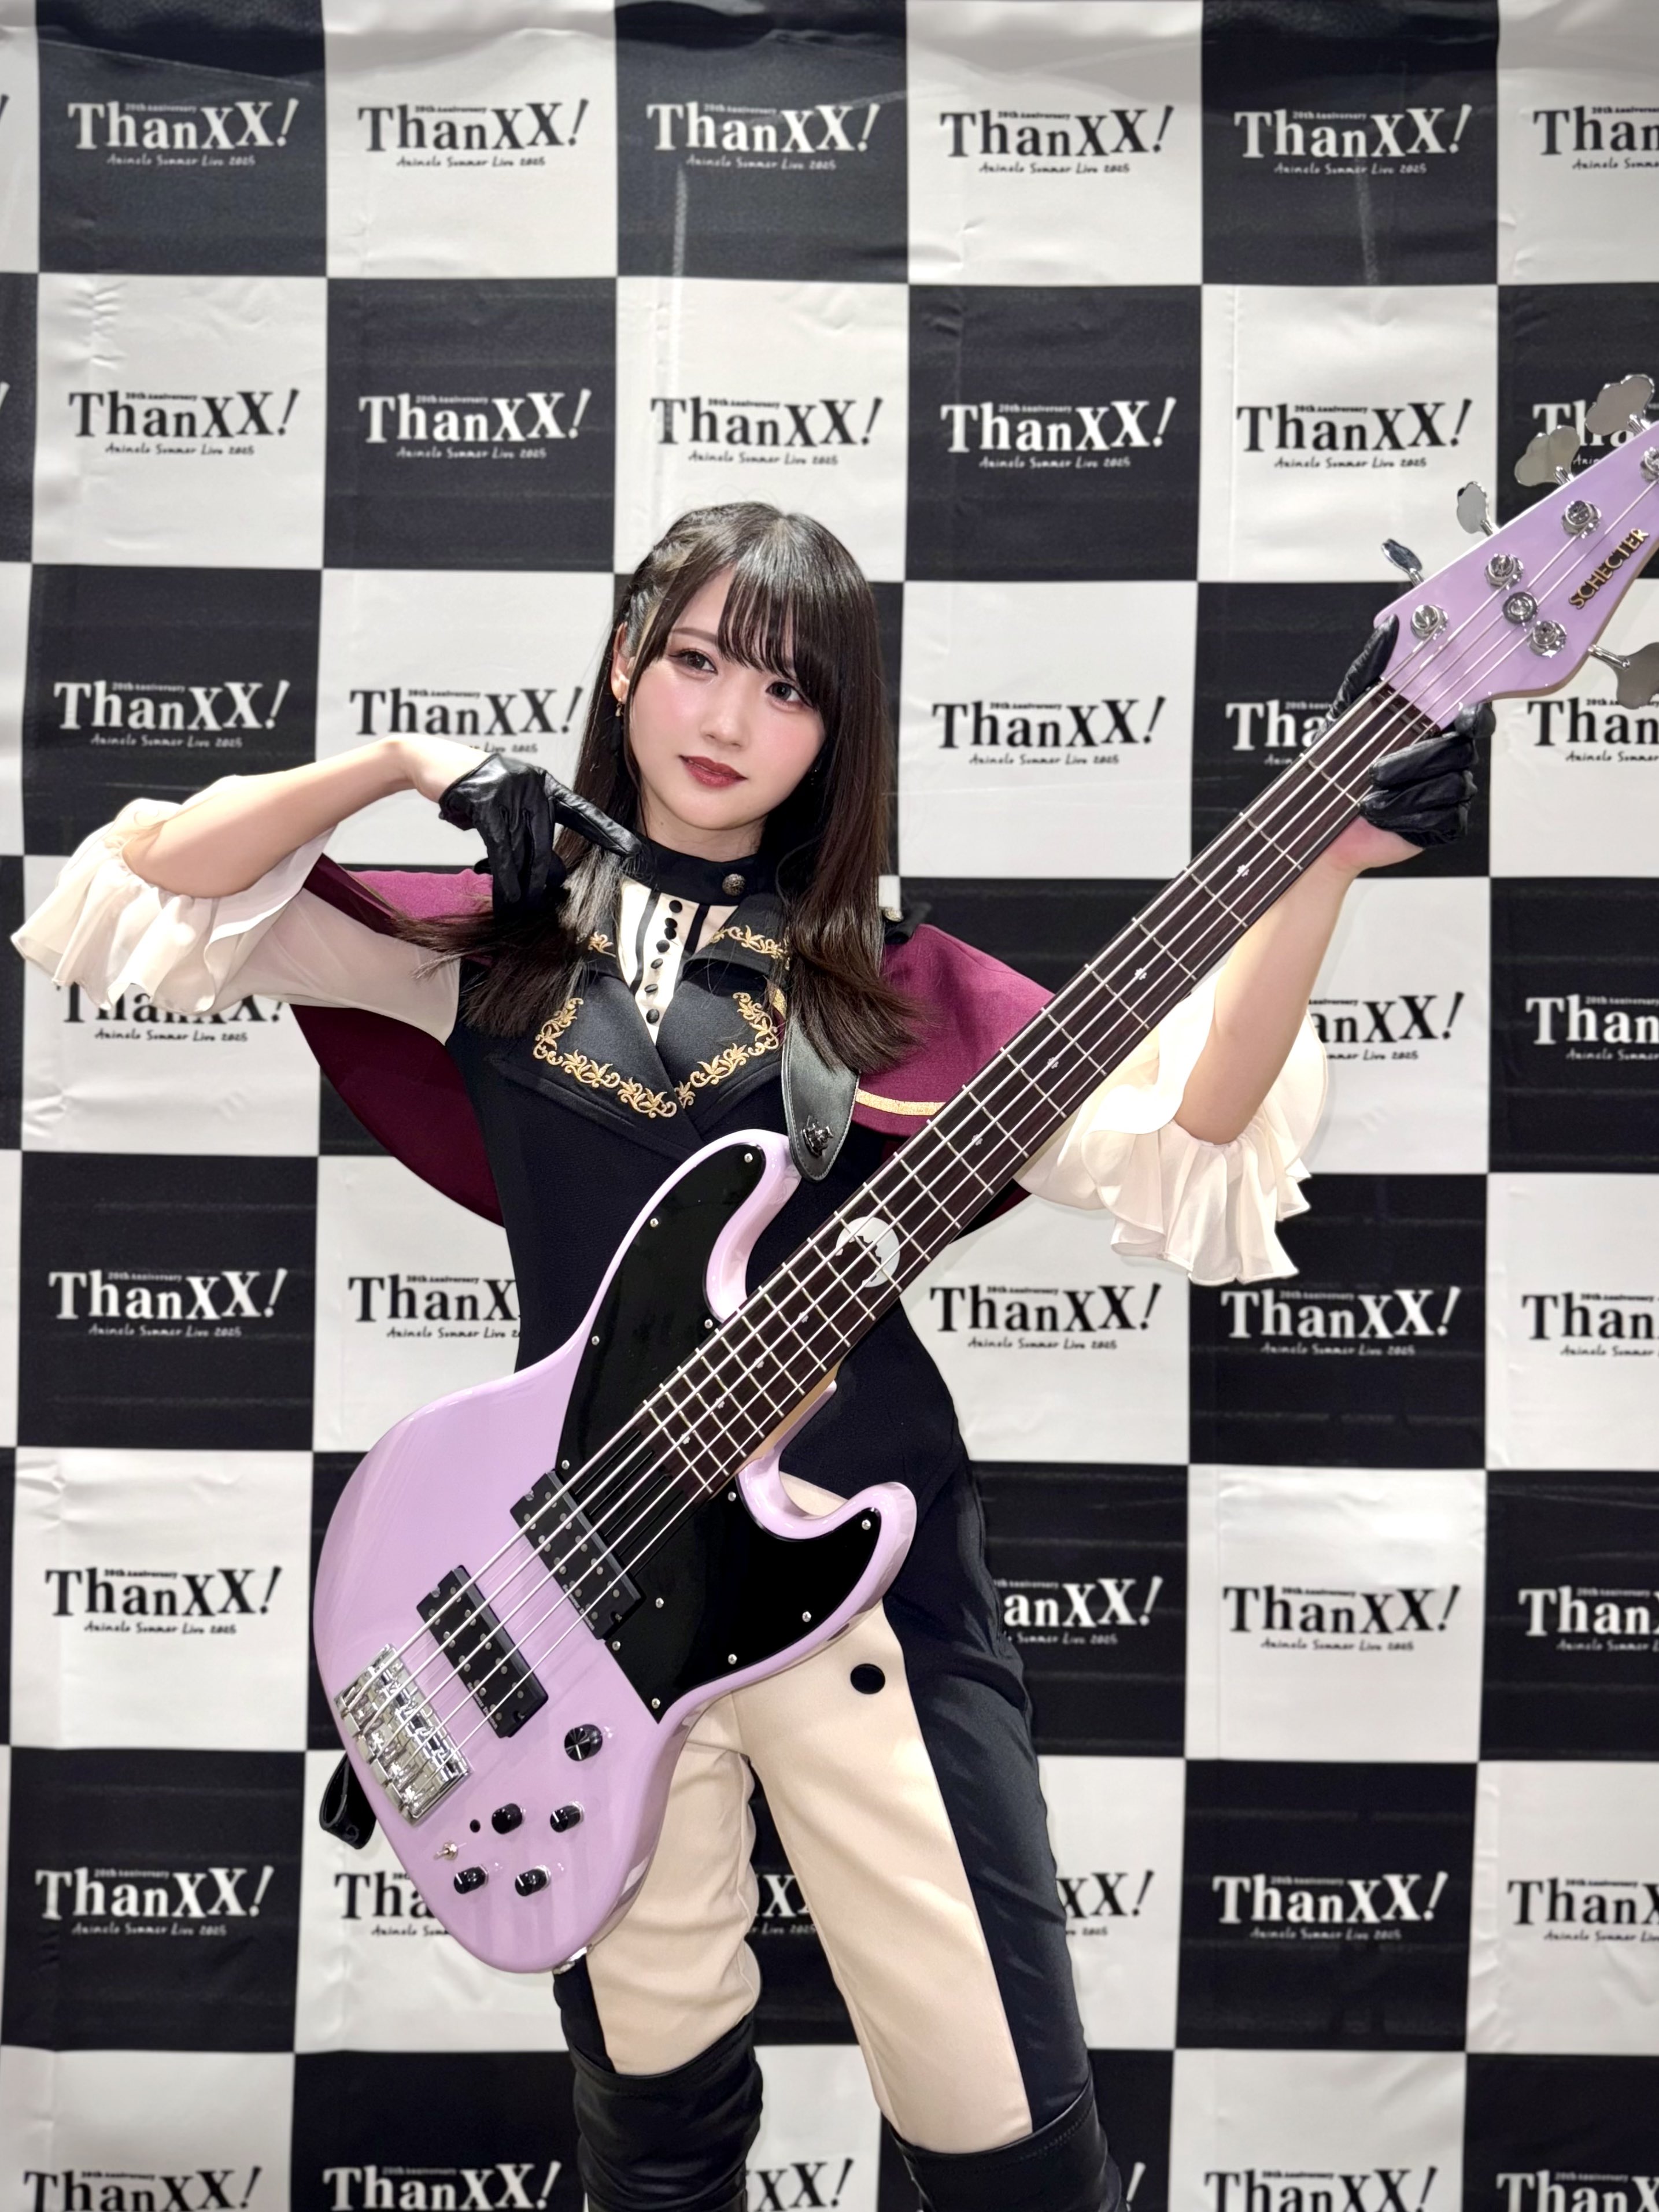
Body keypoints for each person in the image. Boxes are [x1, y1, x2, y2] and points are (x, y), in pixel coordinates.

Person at [13, 503, 1481, 2212]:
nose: (726, 719)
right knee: (656, 2137)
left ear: (836, 731)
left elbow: (1202, 1121)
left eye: (787, 689)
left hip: (866, 1587)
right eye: (697, 660)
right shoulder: (499, 935)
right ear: (623, 664)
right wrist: (401, 763)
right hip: (581, 1591)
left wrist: (1321, 865)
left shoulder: (893, 989)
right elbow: (158, 880)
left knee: (1012, 2146)